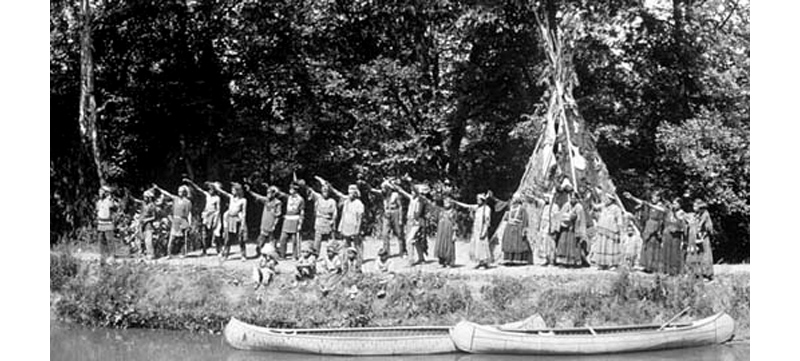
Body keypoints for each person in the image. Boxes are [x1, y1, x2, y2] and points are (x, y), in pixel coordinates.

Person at [624, 191, 666, 273]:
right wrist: (632, 197)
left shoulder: (661, 206)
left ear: (659, 198)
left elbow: (662, 212)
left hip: (655, 226)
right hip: (648, 225)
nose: (653, 198)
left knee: (653, 245)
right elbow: (643, 203)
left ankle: (653, 267)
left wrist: (659, 230)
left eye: (655, 197)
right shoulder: (650, 205)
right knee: (646, 245)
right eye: (652, 197)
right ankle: (646, 265)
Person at [328, 183, 365, 271]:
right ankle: (345, 259)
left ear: (355, 194)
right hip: (346, 226)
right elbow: (343, 214)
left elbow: (360, 218)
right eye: (349, 193)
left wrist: (358, 229)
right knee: (346, 244)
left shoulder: (359, 204)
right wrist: (340, 227)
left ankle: (358, 261)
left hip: (354, 226)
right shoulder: (346, 201)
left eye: (352, 193)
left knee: (357, 244)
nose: (350, 195)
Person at [394, 182, 432, 266]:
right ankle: (421, 258)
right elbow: (402, 191)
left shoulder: (421, 200)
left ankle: (410, 260)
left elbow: (418, 213)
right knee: (416, 240)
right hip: (410, 221)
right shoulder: (412, 198)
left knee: (409, 240)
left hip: (416, 222)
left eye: (413, 191)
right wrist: (395, 185)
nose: (412, 193)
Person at [183, 178, 222, 256]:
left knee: (216, 233)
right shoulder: (207, 195)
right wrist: (190, 182)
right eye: (209, 189)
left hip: (214, 215)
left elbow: (218, 210)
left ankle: (219, 250)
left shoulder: (217, 198)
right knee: (204, 233)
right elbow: (198, 189)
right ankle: (204, 250)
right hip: (206, 215)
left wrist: (215, 219)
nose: (210, 191)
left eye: (212, 189)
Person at [154, 184, 193, 259]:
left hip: (183, 220)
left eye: (181, 192)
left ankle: (183, 253)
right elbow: (168, 194)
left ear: (184, 193)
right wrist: (158, 188)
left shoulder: (187, 202)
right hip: (175, 220)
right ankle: (169, 254)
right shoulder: (176, 199)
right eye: (179, 191)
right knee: (172, 238)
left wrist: (189, 224)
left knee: (182, 239)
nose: (179, 193)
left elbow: (189, 214)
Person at [369, 179, 406, 257]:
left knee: (399, 233)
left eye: (385, 188)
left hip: (395, 212)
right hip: (386, 214)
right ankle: (386, 251)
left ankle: (403, 251)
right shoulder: (383, 195)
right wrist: (367, 186)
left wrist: (400, 218)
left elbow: (400, 207)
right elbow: (374, 190)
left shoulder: (395, 195)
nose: (383, 190)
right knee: (385, 234)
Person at [455, 193, 492, 269]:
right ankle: (479, 262)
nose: (477, 201)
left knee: (482, 245)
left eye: (479, 199)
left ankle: (484, 262)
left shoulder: (487, 208)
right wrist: (456, 202)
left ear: (483, 200)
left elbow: (487, 221)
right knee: (476, 245)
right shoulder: (477, 207)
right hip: (476, 229)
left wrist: (484, 231)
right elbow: (467, 206)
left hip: (482, 229)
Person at [214, 182, 247, 261]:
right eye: (232, 190)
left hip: (237, 219)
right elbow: (223, 192)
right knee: (228, 238)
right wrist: (216, 187)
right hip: (229, 219)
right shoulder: (231, 197)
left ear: (238, 191)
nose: (232, 191)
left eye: (234, 190)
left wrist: (243, 224)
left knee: (240, 238)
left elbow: (244, 212)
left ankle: (243, 255)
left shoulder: (243, 200)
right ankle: (226, 254)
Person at [592, 190, 625, 269]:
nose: (605, 200)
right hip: (602, 230)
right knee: (602, 246)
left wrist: (620, 231)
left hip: (611, 231)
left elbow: (619, 220)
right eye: (605, 198)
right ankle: (602, 264)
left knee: (611, 247)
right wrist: (591, 195)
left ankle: (612, 264)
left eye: (607, 198)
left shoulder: (616, 208)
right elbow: (595, 206)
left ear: (611, 200)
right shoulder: (603, 206)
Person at [249, 184, 283, 259]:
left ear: (274, 194)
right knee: (260, 240)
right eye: (267, 193)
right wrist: (250, 191)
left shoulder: (277, 203)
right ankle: (259, 253)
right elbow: (258, 196)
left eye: (269, 193)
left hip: (272, 223)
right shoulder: (266, 200)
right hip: (264, 223)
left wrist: (275, 224)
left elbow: (278, 215)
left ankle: (274, 255)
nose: (268, 194)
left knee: (272, 240)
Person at [685, 199, 715, 280]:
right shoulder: (696, 215)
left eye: (695, 206)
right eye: (693, 206)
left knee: (705, 255)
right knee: (696, 254)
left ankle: (707, 274)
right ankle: (696, 273)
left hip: (703, 238)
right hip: (697, 237)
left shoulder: (705, 214)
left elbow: (707, 227)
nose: (694, 207)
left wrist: (702, 234)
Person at [556, 191, 586, 267]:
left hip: (574, 229)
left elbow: (581, 219)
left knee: (573, 245)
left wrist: (574, 218)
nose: (572, 199)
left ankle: (573, 262)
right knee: (563, 243)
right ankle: (563, 261)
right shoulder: (566, 205)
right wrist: (565, 218)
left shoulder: (579, 207)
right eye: (571, 198)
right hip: (565, 228)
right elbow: (561, 214)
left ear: (576, 199)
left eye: (574, 198)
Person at [308, 178, 338, 256]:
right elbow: (310, 190)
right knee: (317, 238)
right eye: (324, 191)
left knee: (329, 239)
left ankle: (331, 254)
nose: (325, 192)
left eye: (327, 191)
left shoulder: (332, 201)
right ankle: (316, 254)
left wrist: (333, 221)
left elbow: (335, 213)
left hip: (328, 221)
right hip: (319, 220)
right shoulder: (318, 198)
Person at [501, 193, 532, 265]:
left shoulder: (522, 209)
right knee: (509, 243)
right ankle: (509, 260)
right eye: (513, 198)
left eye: (515, 198)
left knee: (518, 243)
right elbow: (506, 217)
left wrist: (524, 229)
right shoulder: (510, 208)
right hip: (509, 227)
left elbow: (525, 219)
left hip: (518, 227)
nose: (513, 199)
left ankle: (517, 260)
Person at [277, 182, 305, 260]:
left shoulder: (301, 199)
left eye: (292, 189)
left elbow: (302, 211)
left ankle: (294, 255)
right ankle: (282, 254)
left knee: (294, 239)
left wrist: (300, 223)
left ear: (295, 190)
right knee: (283, 238)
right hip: (287, 219)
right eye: (290, 189)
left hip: (295, 219)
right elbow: (281, 194)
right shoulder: (288, 197)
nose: (290, 190)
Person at [660, 197, 687, 275]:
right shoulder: (670, 212)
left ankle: (675, 271)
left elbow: (680, 221)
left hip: (676, 234)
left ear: (680, 205)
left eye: (675, 203)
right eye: (673, 203)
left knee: (675, 252)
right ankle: (666, 270)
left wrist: (673, 211)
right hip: (669, 233)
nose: (674, 205)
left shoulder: (681, 212)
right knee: (667, 251)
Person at [95, 185, 119, 262]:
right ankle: (103, 254)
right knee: (101, 239)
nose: (100, 193)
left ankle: (111, 255)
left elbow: (115, 208)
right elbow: (97, 210)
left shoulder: (109, 202)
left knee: (109, 239)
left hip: (108, 222)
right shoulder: (98, 202)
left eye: (101, 192)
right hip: (101, 222)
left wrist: (111, 199)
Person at [433, 196, 458, 267]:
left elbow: (455, 223)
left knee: (448, 246)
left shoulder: (453, 212)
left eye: (447, 202)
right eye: (444, 202)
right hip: (441, 231)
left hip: (449, 231)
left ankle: (449, 262)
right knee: (441, 245)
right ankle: (441, 261)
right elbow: (437, 220)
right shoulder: (441, 211)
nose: (445, 204)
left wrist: (454, 234)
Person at [139, 189, 159, 259]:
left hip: (148, 225)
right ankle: (144, 253)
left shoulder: (152, 206)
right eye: (144, 197)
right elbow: (142, 213)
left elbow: (154, 217)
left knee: (148, 240)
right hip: (142, 224)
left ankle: (151, 254)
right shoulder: (143, 204)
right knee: (142, 239)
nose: (144, 199)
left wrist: (146, 220)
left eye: (146, 197)